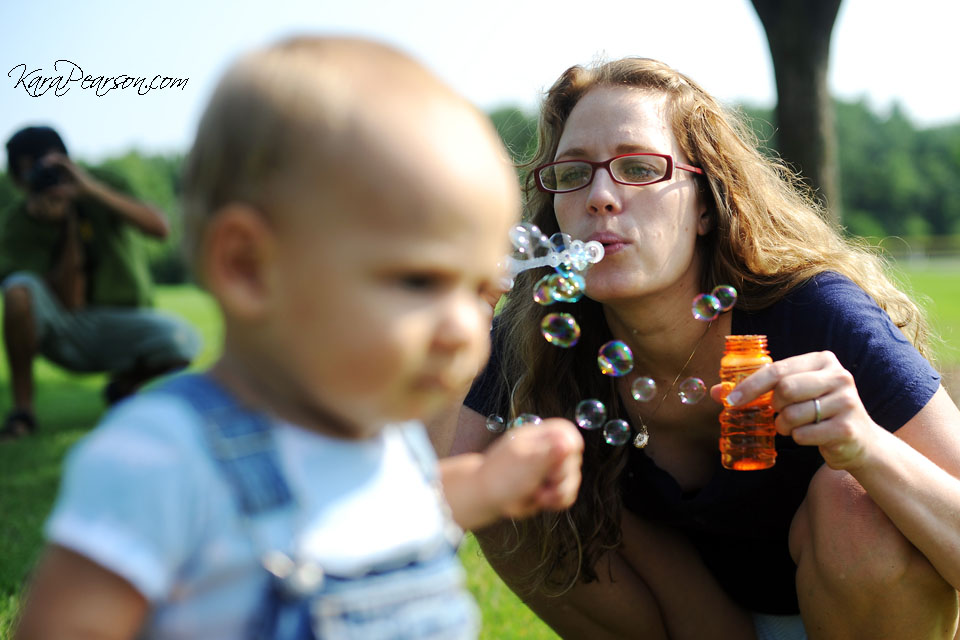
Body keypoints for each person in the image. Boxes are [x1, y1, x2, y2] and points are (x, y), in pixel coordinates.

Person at [12, 37, 583, 640]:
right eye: (419, 280)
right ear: (249, 266)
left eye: (476, 289)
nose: (467, 327)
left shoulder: (386, 442)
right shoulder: (162, 459)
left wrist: (488, 486)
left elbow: (396, 513)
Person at [440, 58, 960, 640]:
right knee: (513, 485)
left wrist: (865, 446)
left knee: (851, 502)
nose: (602, 196)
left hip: (863, 611)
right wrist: (448, 342)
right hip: (705, 619)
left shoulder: (816, 313)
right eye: (574, 173)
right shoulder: (534, 327)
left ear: (706, 204)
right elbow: (430, 505)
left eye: (638, 168)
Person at [0, 126, 201, 440]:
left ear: (68, 162)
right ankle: (23, 410)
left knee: (182, 339)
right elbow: (71, 302)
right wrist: (67, 225)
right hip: (67, 331)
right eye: (29, 174)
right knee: (17, 289)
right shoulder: (19, 223)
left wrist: (90, 192)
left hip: (126, 323)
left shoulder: (103, 182)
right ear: (16, 180)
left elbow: (160, 228)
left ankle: (124, 387)